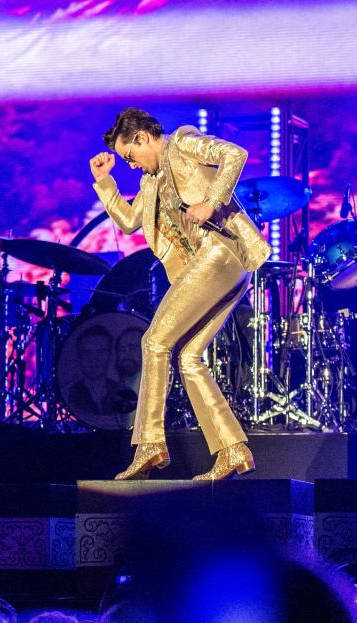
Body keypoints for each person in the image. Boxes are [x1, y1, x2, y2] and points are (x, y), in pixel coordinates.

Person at [89, 108, 270, 481]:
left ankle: (150, 445)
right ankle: (232, 450)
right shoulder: (150, 183)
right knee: (188, 357)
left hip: (219, 253)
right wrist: (104, 183)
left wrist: (213, 201)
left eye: (130, 156)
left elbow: (235, 155)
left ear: (142, 138)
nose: (132, 165)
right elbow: (127, 222)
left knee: (154, 342)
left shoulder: (183, 142)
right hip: (215, 267)